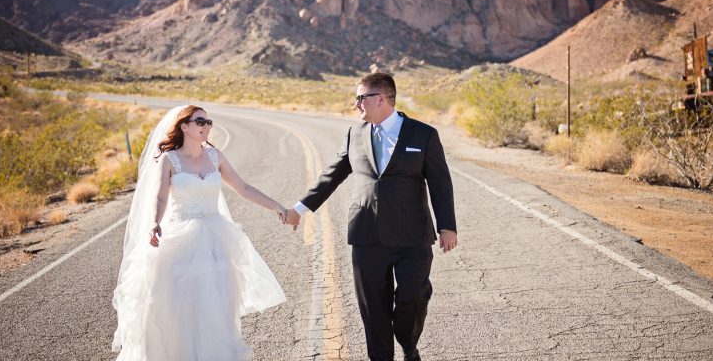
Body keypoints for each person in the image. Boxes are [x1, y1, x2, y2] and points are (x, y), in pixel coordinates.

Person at [283, 72, 458, 361]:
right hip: (367, 236)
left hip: (412, 237)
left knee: (412, 299)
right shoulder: (355, 134)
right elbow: (331, 176)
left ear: (381, 99)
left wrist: (447, 226)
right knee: (373, 309)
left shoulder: (423, 134)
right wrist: (299, 209)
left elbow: (440, 183)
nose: (356, 105)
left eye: (360, 98)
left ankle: (408, 343)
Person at [112, 105, 286, 361]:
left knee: (216, 312)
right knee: (180, 312)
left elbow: (244, 187)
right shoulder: (169, 160)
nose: (206, 126)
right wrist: (154, 222)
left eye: (209, 122)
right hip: (180, 242)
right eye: (200, 121)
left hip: (217, 241)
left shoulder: (215, 156)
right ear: (184, 127)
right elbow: (160, 197)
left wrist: (277, 207)